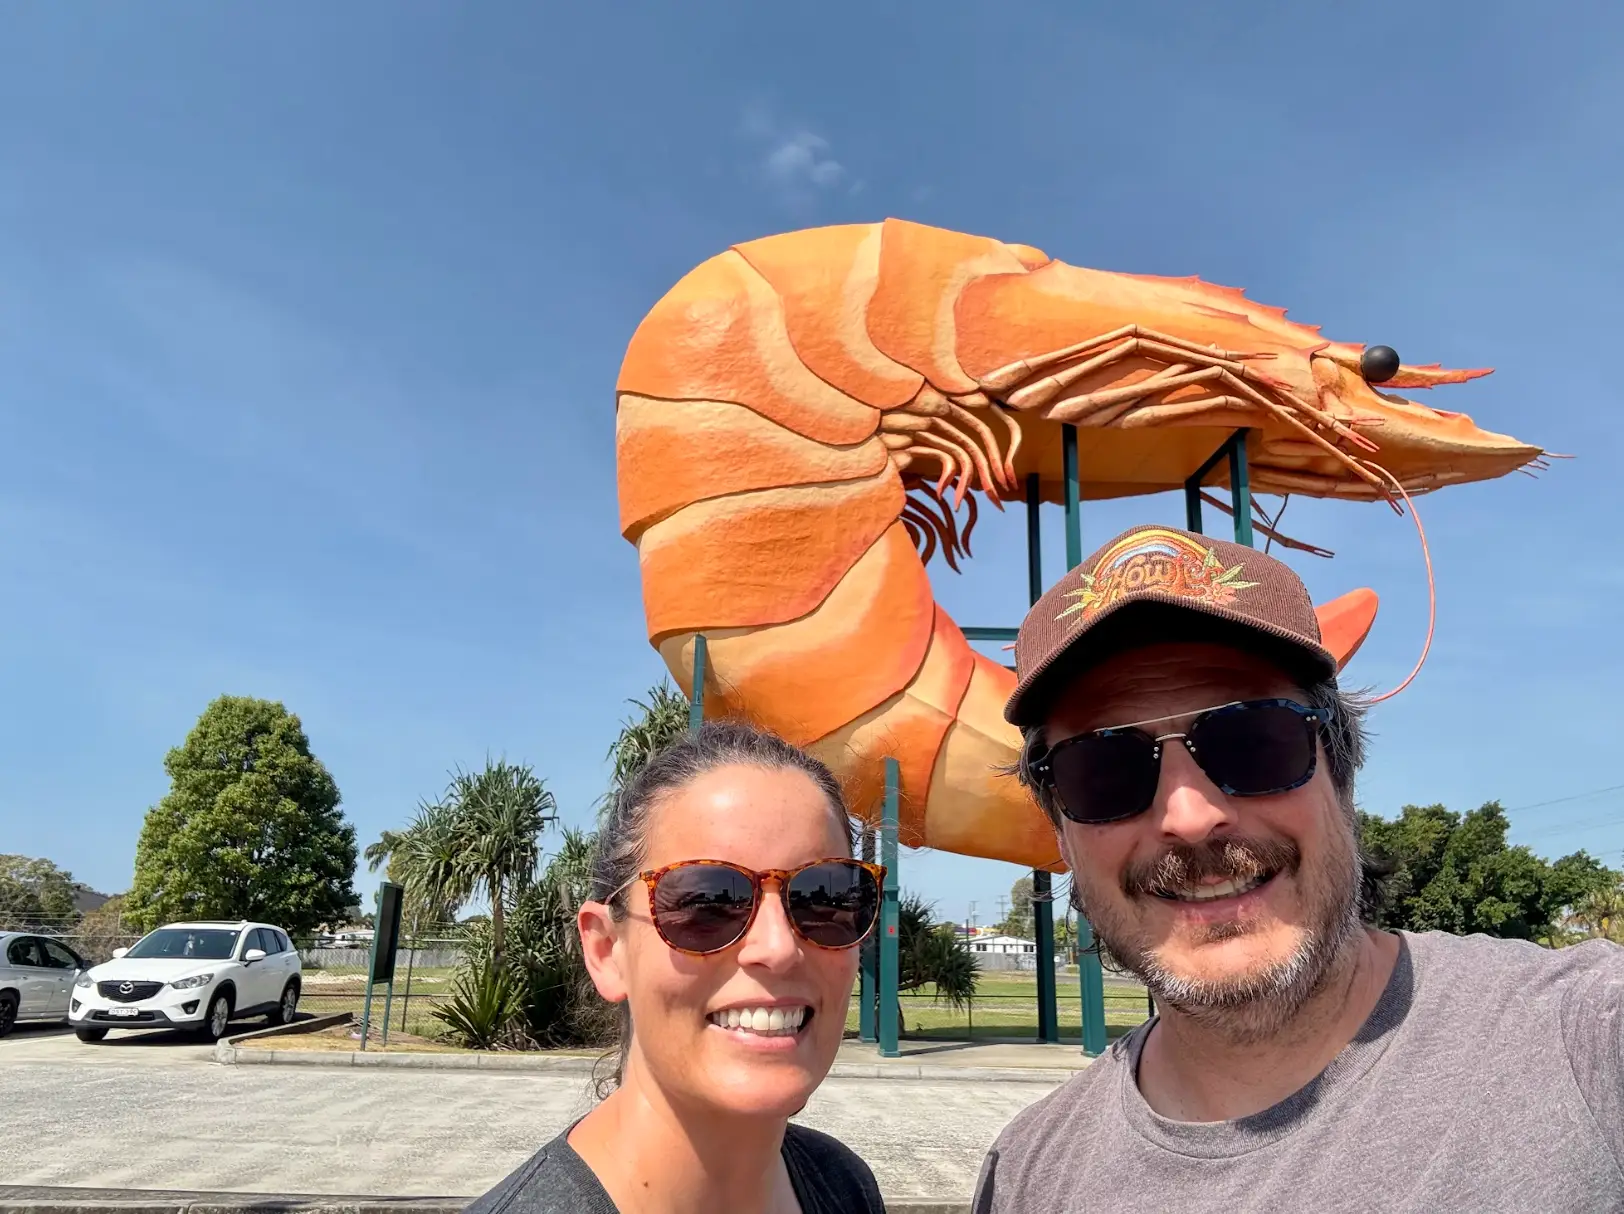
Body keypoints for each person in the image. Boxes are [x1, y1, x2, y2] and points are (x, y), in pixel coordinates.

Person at [973, 523, 1624, 1213]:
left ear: (1341, 777)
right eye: (1103, 769)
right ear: (1064, 836)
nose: (1190, 815)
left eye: (1253, 741)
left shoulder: (1583, 1039)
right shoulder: (1030, 1177)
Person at [466, 720, 887, 1214]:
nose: (777, 948)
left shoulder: (843, 1186)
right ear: (606, 950)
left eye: (826, 897)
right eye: (708, 902)